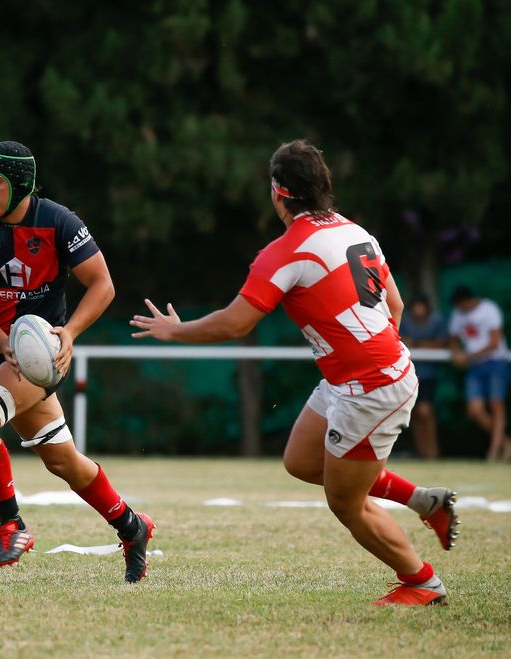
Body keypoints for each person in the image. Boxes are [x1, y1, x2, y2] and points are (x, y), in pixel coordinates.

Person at [130, 139, 459, 605]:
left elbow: (235, 322)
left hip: (369, 386)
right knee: (303, 462)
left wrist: (175, 330)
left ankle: (422, 581)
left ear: (278, 191)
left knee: (345, 502)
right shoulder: (355, 231)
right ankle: (427, 502)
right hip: (359, 378)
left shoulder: (287, 250)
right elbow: (397, 305)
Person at [0, 141, 155, 582]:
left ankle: (12, 525)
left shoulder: (59, 221)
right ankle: (132, 526)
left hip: (45, 358)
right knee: (63, 461)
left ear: (19, 183)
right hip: (6, 355)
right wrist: (3, 342)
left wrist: (70, 332)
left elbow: (102, 284)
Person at [448, 284, 510, 461]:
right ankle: (505, 443)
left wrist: (467, 356)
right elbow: (452, 339)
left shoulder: (489, 309)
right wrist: (457, 354)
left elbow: (495, 343)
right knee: (474, 410)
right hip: (474, 366)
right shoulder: (457, 314)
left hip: (495, 362)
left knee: (497, 405)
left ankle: (494, 450)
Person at [399, 295, 446, 459]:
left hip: (428, 374)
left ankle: (433, 451)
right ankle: (422, 452)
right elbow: (401, 340)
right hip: (408, 373)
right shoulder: (405, 320)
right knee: (412, 413)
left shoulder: (436, 320)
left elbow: (440, 343)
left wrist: (417, 343)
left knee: (425, 411)